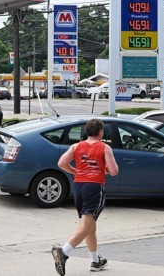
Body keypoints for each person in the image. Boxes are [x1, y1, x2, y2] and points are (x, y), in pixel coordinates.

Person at [52, 118, 119, 275]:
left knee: (90, 225)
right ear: (101, 132)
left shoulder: (76, 146)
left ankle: (95, 261)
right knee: (86, 225)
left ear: (87, 132)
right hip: (94, 186)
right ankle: (64, 251)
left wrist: (76, 171)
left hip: (79, 186)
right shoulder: (104, 147)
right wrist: (106, 169)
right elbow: (114, 171)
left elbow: (61, 163)